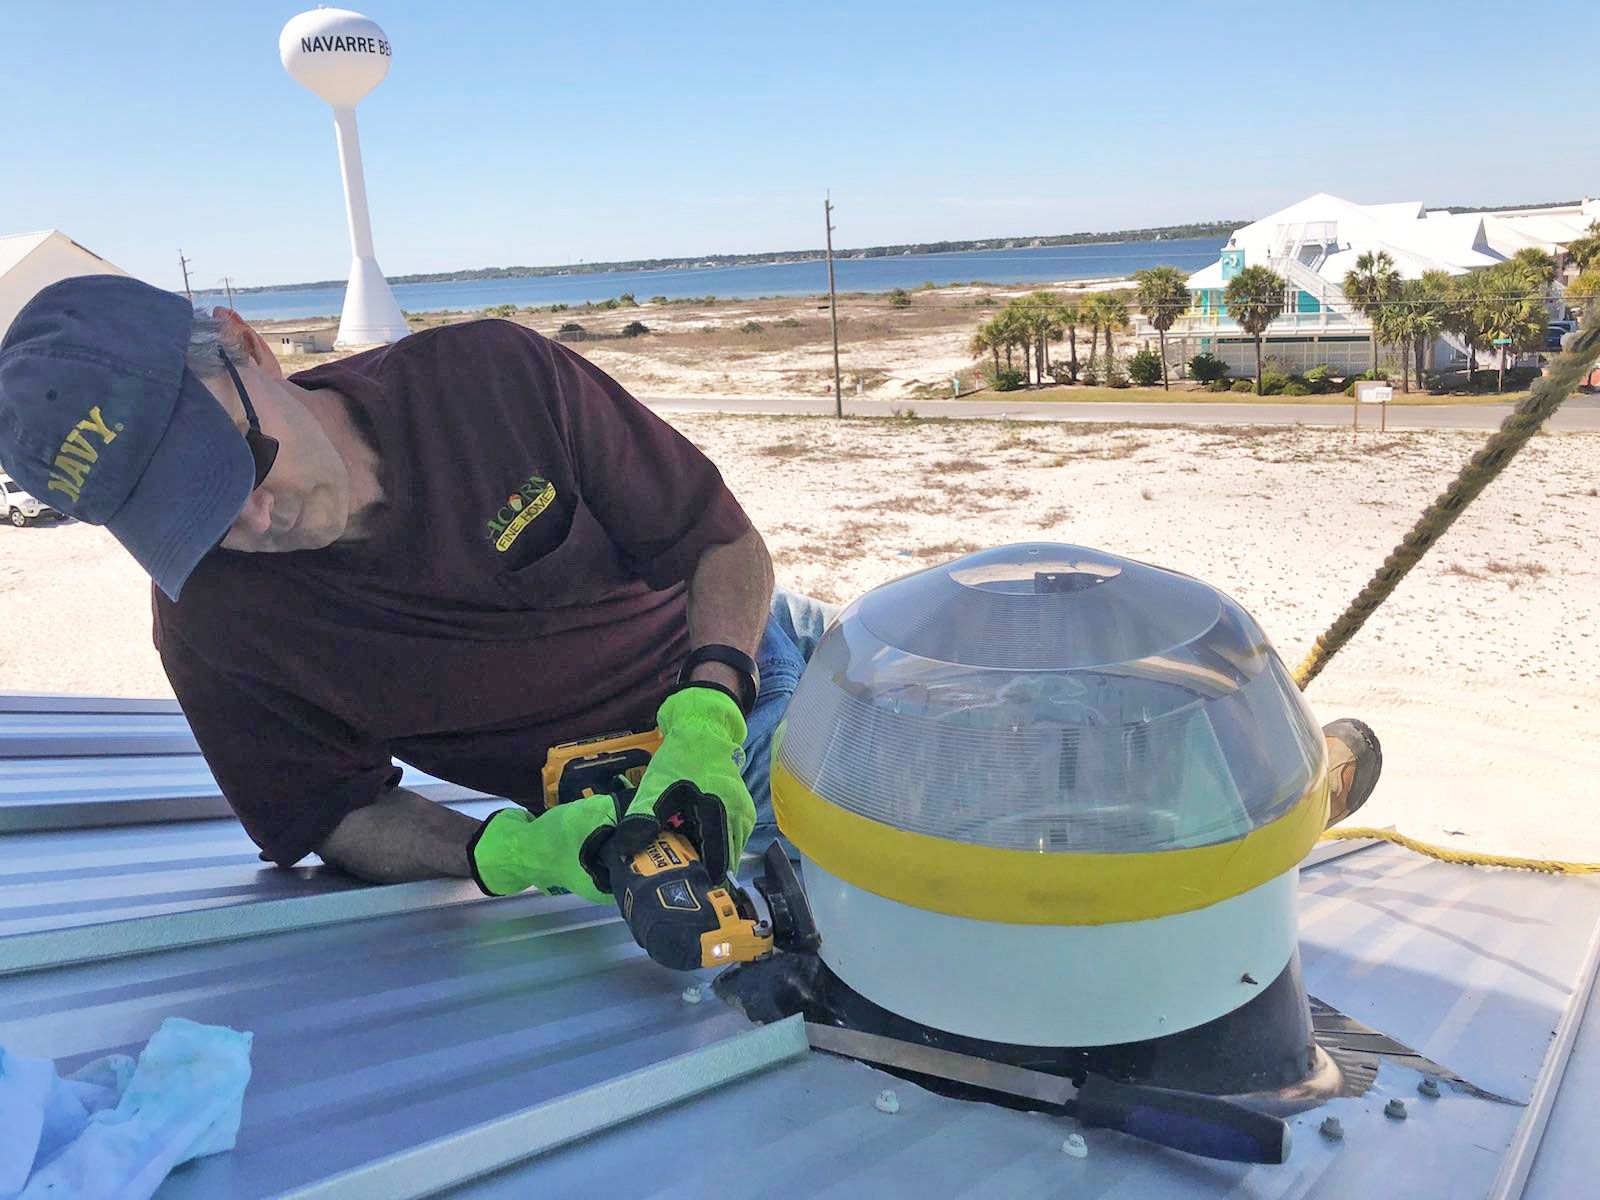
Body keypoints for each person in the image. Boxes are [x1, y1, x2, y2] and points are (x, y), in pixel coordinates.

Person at [0, 275, 1380, 906]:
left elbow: (723, 545)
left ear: (243, 345)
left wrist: (708, 716)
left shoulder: (489, 378)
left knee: (1048, 712)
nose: (247, 522)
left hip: (759, 665)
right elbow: (330, 815)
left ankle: (1299, 779)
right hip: (614, 803)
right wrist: (506, 854)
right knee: (959, 865)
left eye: (226, 463)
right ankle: (1287, 787)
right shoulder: (212, 618)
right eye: (179, 518)